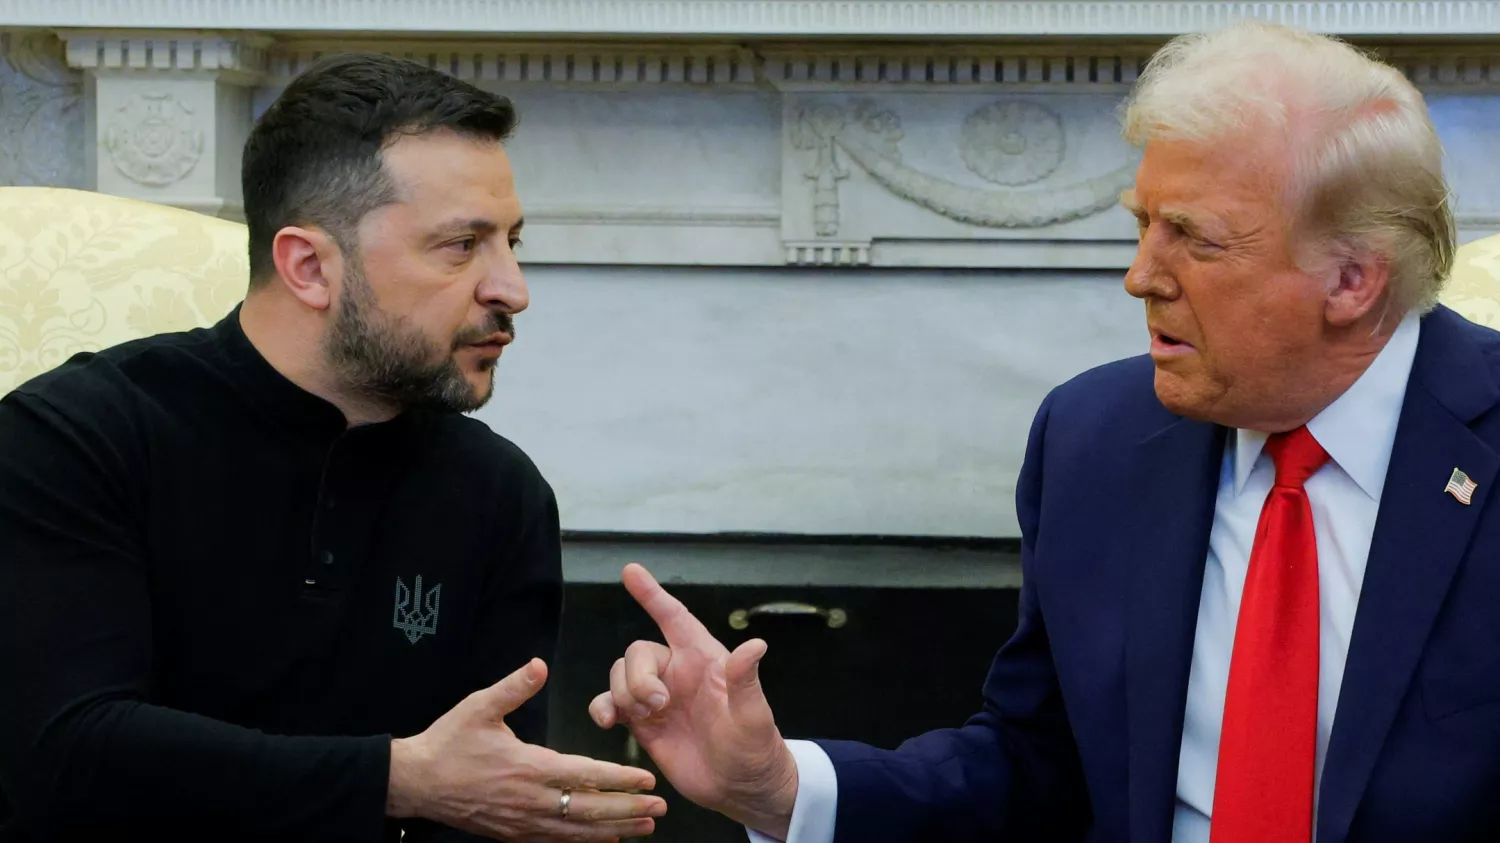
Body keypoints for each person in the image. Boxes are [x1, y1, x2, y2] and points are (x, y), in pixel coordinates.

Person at [589, 20, 1500, 843]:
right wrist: (781, 788)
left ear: (1352, 281)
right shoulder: (1097, 439)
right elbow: (1037, 767)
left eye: (1195, 238)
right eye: (1143, 223)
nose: (1141, 275)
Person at [0, 54, 667, 842]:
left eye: (511, 242)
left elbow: (493, 799)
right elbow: (63, 754)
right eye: (462, 246)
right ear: (309, 266)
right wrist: (396, 779)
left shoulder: (499, 491)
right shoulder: (73, 436)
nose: (512, 289)